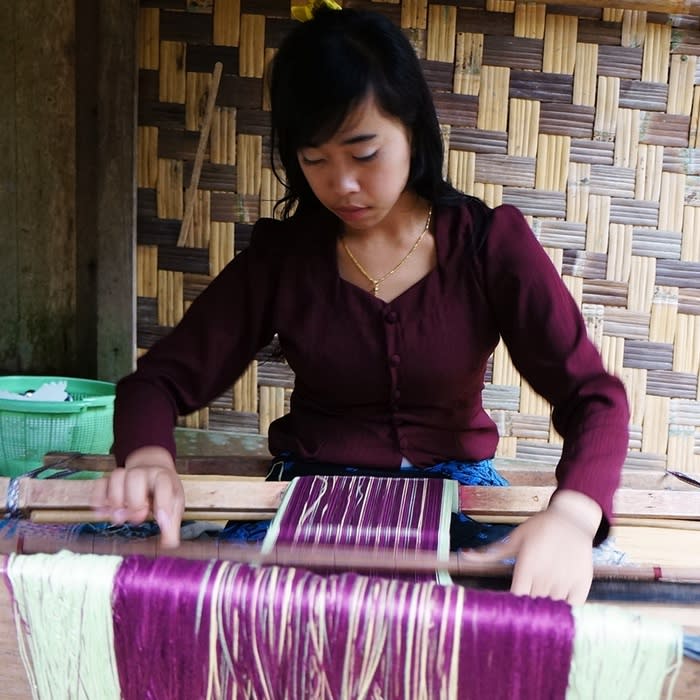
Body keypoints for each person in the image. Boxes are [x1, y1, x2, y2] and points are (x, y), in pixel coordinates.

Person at [91, 6, 629, 604]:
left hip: (454, 503)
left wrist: (576, 517)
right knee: (194, 607)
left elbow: (594, 398)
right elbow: (157, 382)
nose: (341, 183)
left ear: (413, 131)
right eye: (315, 160)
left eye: (364, 153)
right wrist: (147, 458)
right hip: (309, 505)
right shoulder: (285, 257)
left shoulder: (488, 245)